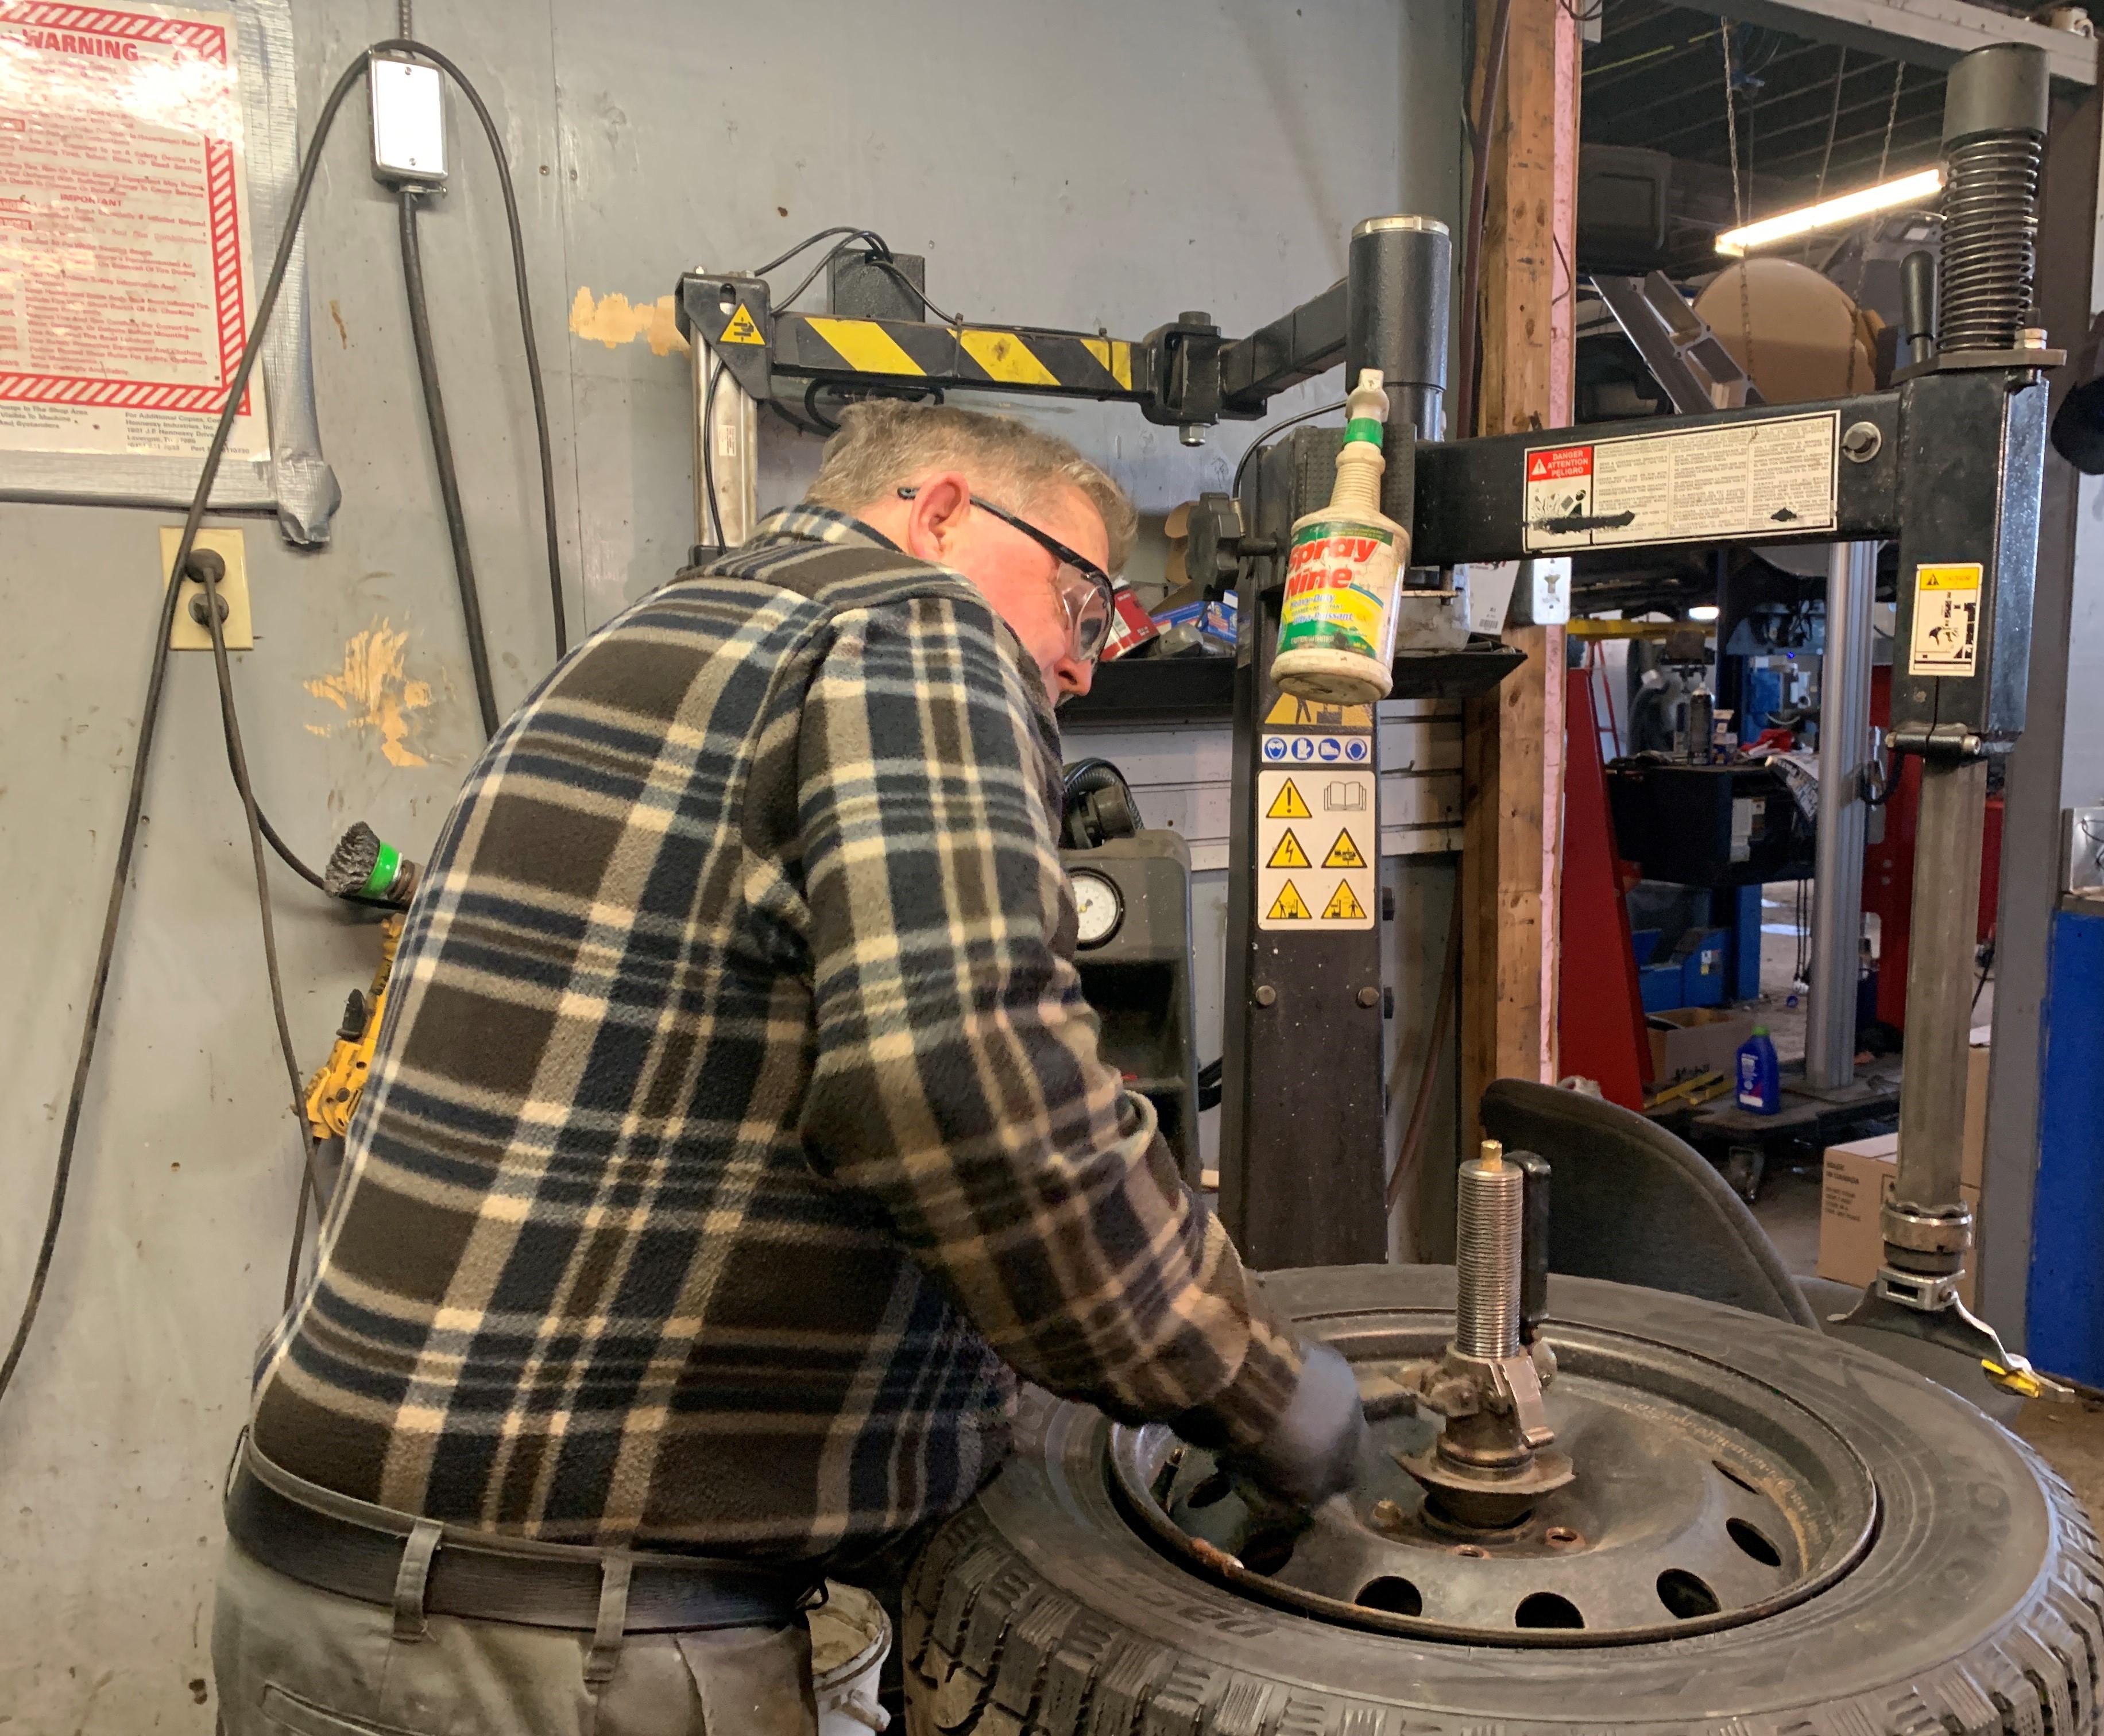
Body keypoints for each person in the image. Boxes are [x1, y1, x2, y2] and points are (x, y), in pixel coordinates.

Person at [211, 401, 1365, 1736]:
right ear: (938, 513)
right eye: (1081, 599)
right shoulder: (914, 626)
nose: (1085, 665)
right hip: (556, 1645)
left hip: (326, 1579)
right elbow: (965, 1081)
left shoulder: (655, 639)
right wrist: (1269, 1392)